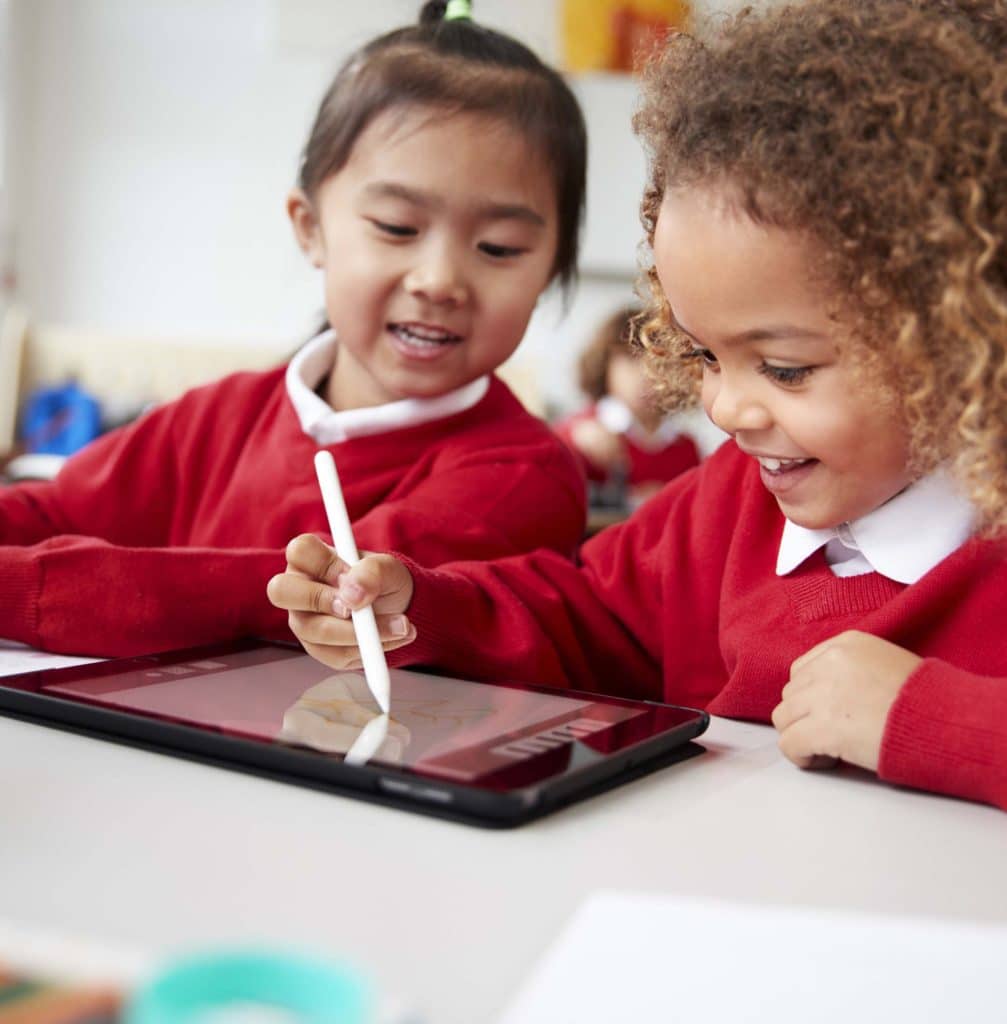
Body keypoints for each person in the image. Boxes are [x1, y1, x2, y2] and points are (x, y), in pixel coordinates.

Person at [268, 0, 1007, 812]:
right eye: (703, 355)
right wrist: (426, 607)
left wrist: (924, 719)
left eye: (786, 370)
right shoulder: (728, 501)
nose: (725, 409)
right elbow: (588, 619)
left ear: (964, 334)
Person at [0, 0, 588, 657]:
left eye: (500, 246)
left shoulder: (522, 476)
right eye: (397, 227)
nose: (438, 279)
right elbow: (51, 512)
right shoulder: (216, 417)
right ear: (310, 227)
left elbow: (300, 598)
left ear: (552, 269)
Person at [554, 304, 699, 507]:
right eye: (631, 359)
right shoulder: (584, 430)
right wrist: (575, 436)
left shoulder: (685, 449)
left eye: (658, 361)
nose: (645, 374)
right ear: (605, 365)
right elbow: (551, 455)